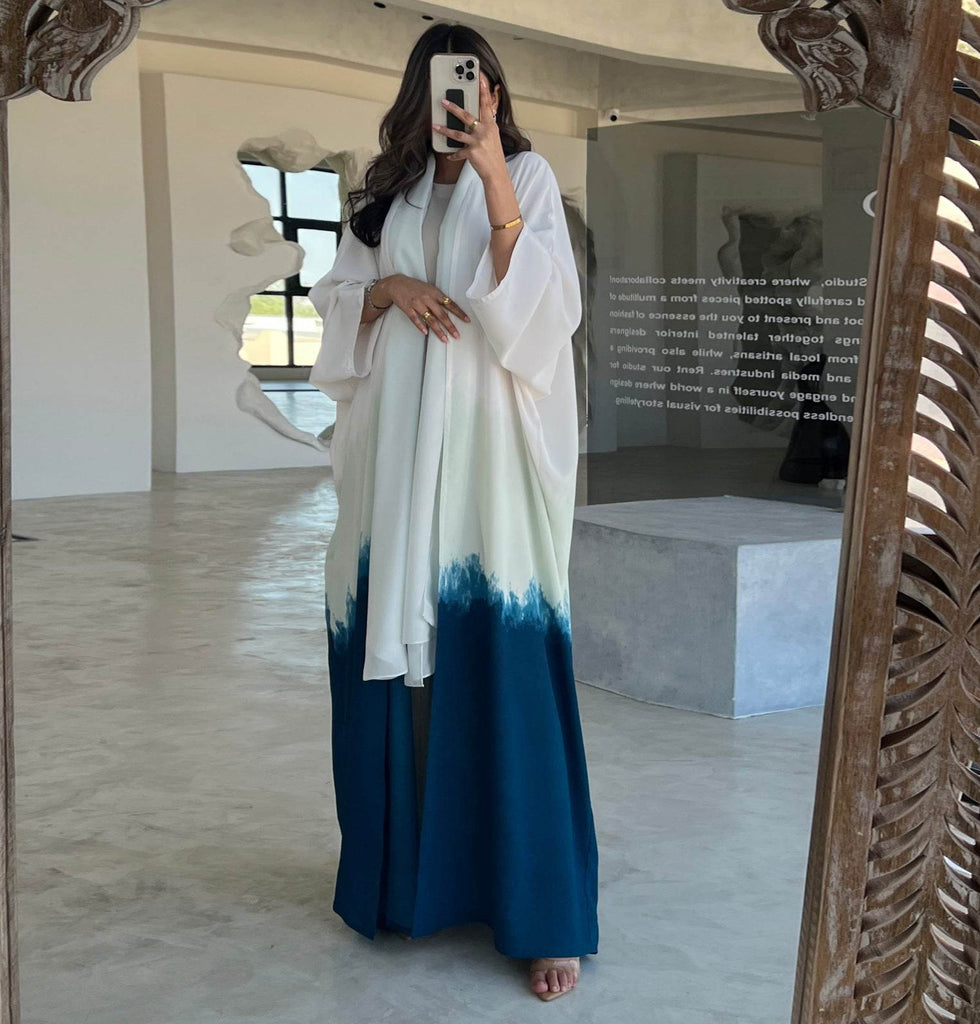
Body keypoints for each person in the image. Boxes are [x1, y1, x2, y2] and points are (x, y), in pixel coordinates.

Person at [308, 21, 598, 1002]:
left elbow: (548, 313)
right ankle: (401, 885)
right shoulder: (384, 198)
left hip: (487, 461)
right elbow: (339, 303)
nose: (461, 100)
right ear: (419, 89)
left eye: (475, 85)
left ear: (493, 91)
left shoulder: (527, 176)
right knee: (393, 658)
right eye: (444, 84)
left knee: (503, 662)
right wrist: (387, 286)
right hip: (392, 458)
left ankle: (542, 914)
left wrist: (494, 174)